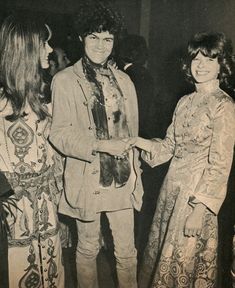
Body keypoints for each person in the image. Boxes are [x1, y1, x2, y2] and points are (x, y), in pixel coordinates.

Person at [128, 32, 235, 287]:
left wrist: (199, 210)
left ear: (222, 65)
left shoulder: (224, 106)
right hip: (170, 192)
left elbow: (220, 165)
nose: (200, 65)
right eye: (196, 59)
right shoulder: (185, 102)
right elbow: (168, 148)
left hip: (194, 199)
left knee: (182, 268)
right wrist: (135, 140)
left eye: (209, 60)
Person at [49, 2, 143, 288]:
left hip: (122, 179)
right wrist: (101, 145)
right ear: (81, 38)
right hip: (88, 179)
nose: (101, 46)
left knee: (127, 253)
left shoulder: (125, 81)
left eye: (108, 39)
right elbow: (59, 134)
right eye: (94, 37)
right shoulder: (64, 80)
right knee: (88, 249)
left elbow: (133, 132)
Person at [0, 14, 65, 288]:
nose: (50, 50)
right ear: (25, 49)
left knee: (51, 271)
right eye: (44, 44)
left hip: (46, 210)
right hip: (13, 213)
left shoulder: (42, 96)